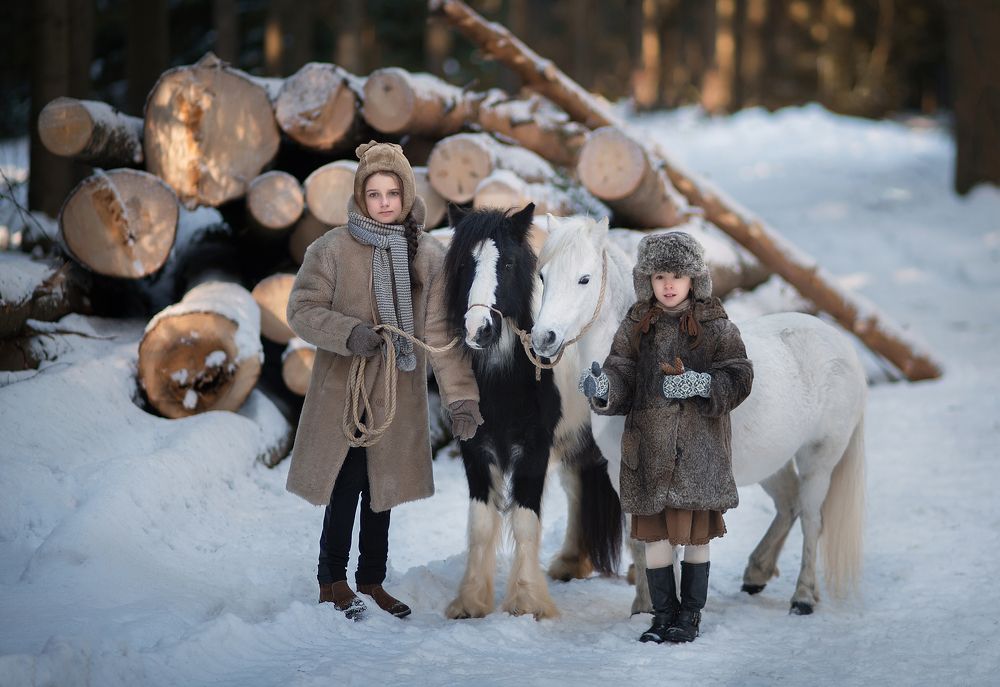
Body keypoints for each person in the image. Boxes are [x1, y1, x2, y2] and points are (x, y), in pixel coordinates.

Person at [285, 141, 483, 620]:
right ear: (359, 195)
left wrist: (461, 399)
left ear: (407, 193)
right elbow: (301, 309)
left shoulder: (428, 255)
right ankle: (331, 579)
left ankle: (371, 579)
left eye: (392, 192)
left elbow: (440, 334)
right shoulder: (331, 248)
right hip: (345, 388)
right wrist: (348, 333)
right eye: (373, 194)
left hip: (398, 391)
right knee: (346, 480)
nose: (384, 203)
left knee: (383, 486)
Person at [580, 231, 753, 643]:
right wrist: (605, 389)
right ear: (648, 280)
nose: (669, 285)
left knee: (695, 539)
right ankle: (663, 614)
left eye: (677, 275)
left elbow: (740, 374)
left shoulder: (714, 323)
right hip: (650, 453)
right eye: (659, 276)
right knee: (654, 540)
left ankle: (689, 615)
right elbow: (620, 369)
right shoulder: (637, 323)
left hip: (698, 452)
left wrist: (701, 384)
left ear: (694, 278)